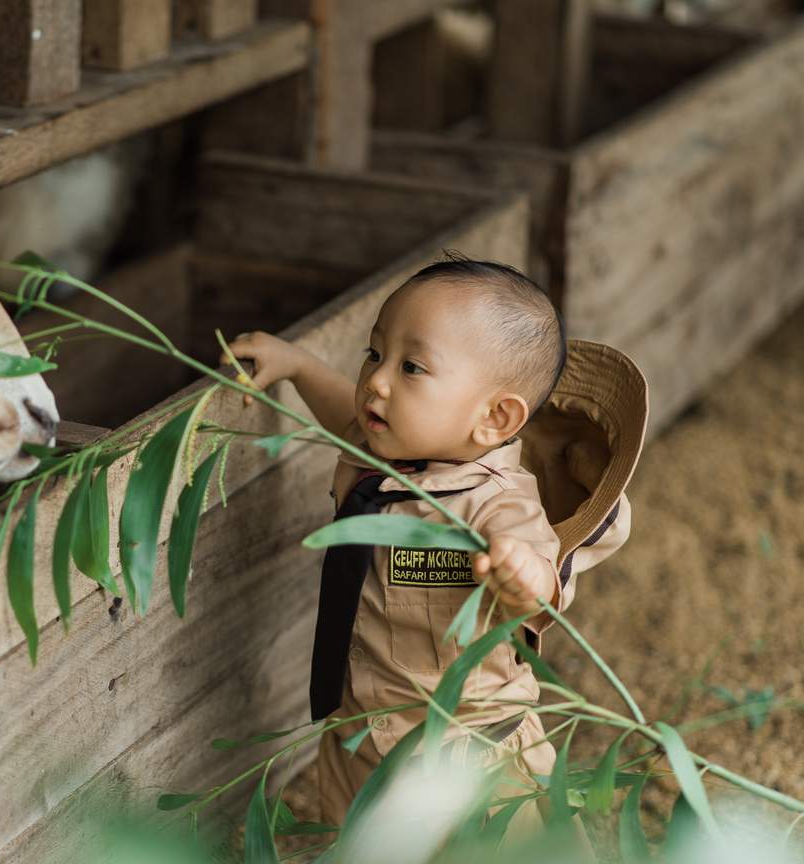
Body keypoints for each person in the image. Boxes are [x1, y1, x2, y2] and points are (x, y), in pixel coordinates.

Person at [222, 255, 647, 834]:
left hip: (466, 757)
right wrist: (296, 364)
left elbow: (539, 578)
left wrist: (524, 574)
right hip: (363, 726)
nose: (375, 379)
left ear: (494, 417)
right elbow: (341, 413)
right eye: (375, 353)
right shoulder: (386, 452)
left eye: (412, 366)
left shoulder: (499, 502)